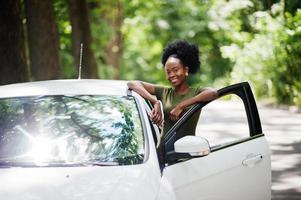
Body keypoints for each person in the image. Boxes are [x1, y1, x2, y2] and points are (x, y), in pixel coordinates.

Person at [127, 40, 218, 142]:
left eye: (175, 70)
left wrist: (181, 106)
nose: (171, 75)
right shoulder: (164, 92)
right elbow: (132, 84)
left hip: (188, 150)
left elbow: (213, 93)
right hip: (163, 150)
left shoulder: (196, 92)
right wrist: (155, 101)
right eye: (168, 72)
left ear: (186, 70)